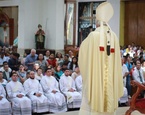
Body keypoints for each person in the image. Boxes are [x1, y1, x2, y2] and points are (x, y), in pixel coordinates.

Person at [78, 2, 123, 115]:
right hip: (110, 78)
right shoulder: (114, 37)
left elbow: (83, 56)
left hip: (96, 76)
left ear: (97, 22)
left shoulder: (93, 36)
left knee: (94, 93)